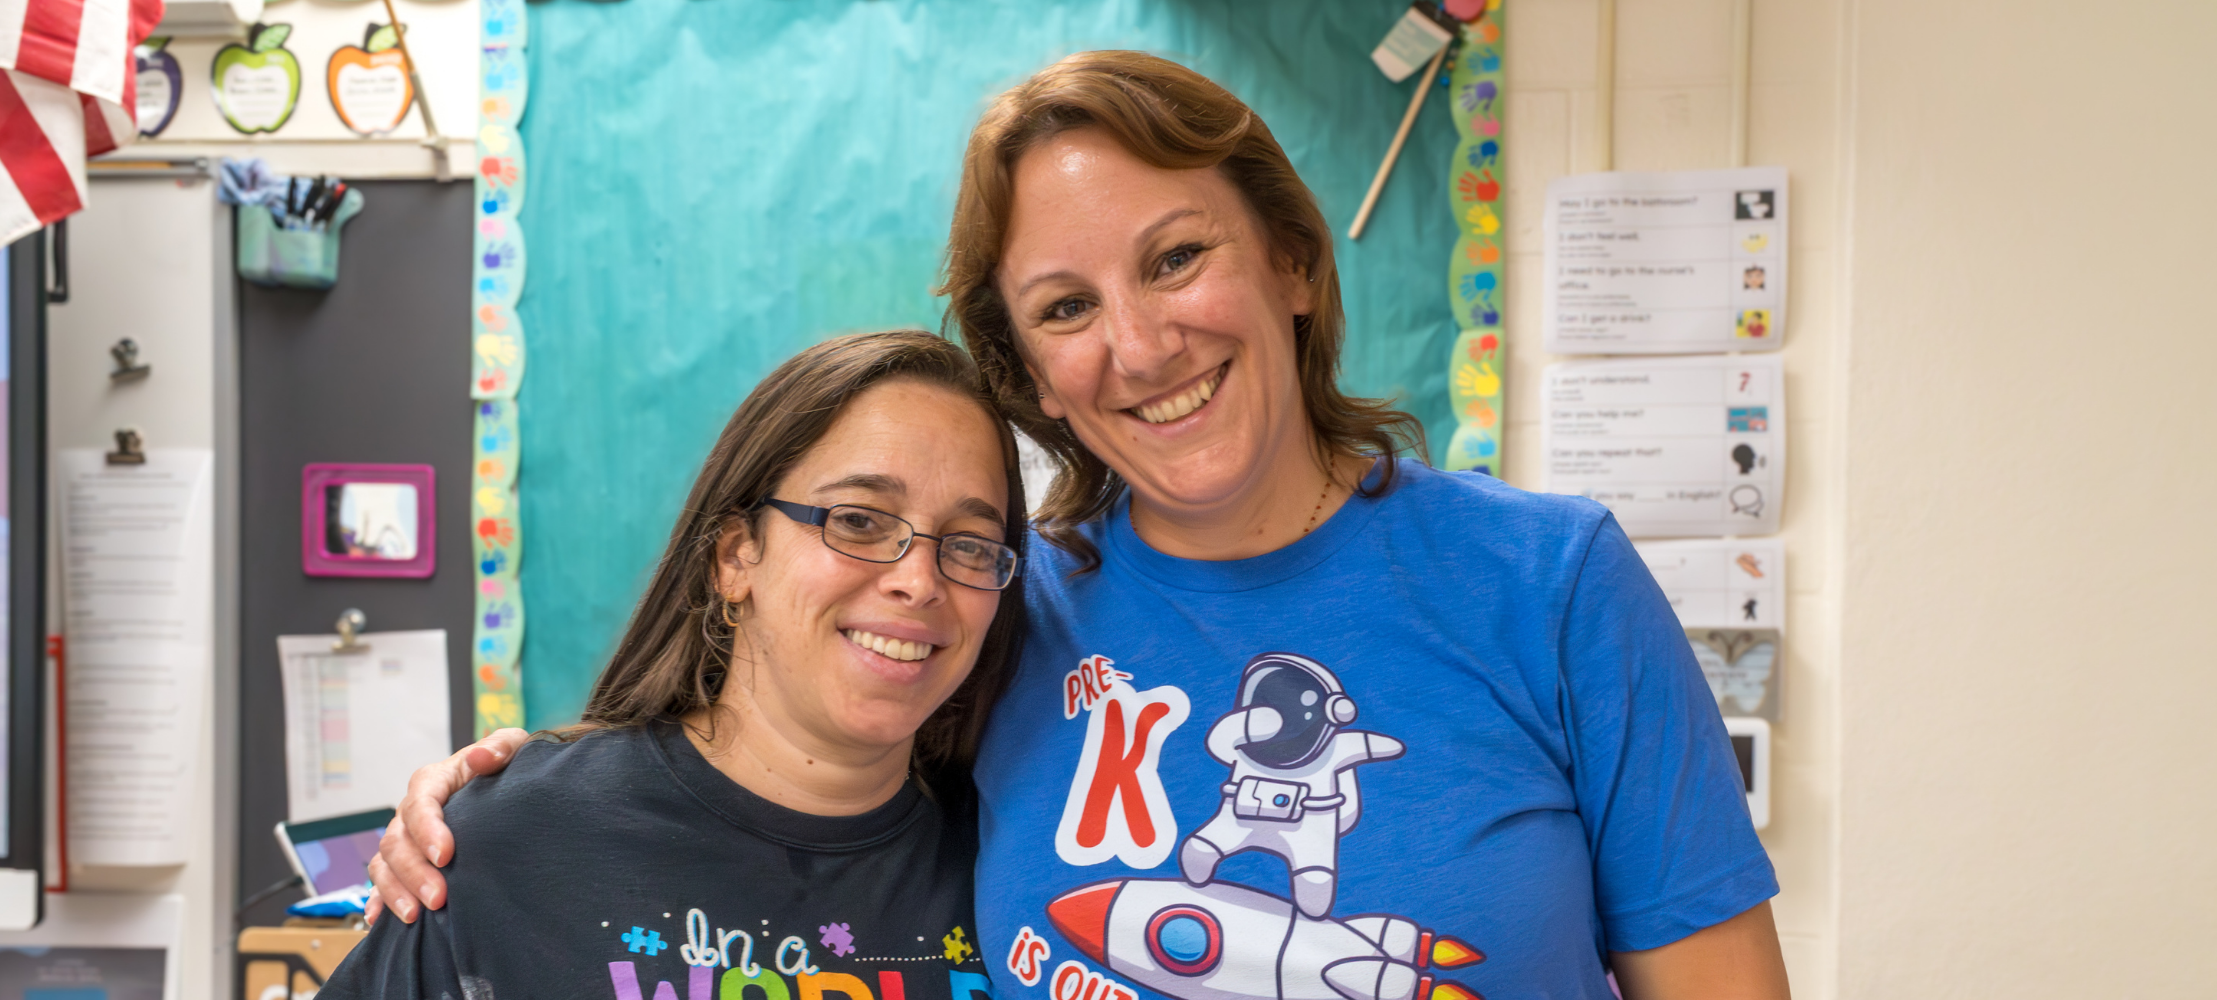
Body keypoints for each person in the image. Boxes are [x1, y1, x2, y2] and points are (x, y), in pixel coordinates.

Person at [369, 52, 1791, 1000]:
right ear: (1030, 371)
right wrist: (488, 809)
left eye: (1176, 258)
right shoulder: (995, 611)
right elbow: (762, 781)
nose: (1139, 343)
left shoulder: (1548, 585)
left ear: (1291, 260)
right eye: (1064, 309)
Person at [319, 331, 1024, 1000]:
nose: (920, 581)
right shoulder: (511, 843)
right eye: (859, 520)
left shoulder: (1014, 861)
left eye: (970, 544)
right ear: (736, 556)